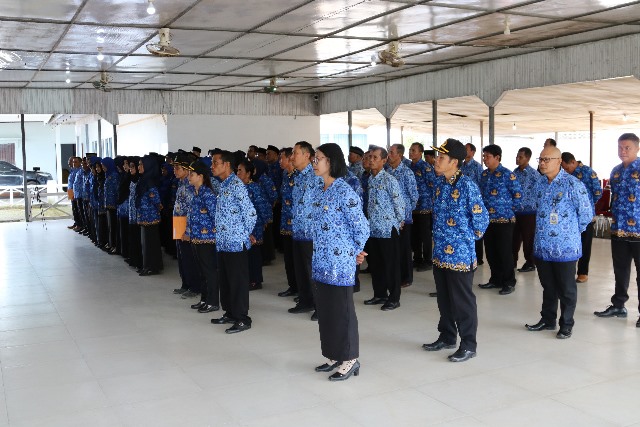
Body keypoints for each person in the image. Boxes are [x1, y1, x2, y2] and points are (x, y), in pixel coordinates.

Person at [423, 138, 488, 362]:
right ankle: (447, 336)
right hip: (440, 252)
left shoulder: (467, 186)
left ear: (454, 162)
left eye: (441, 158)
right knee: (444, 299)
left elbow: (481, 220)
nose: (436, 161)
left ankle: (469, 344)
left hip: (459, 255)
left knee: (462, 301)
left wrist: (465, 241)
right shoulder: (440, 183)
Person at [310, 143, 370, 381]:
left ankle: (350, 359)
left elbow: (362, 227)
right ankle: (334, 355)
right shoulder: (320, 189)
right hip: (321, 261)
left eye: (318, 159)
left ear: (331, 161)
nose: (315, 163)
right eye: (314, 159)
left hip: (340, 263)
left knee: (342, 311)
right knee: (326, 311)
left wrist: (356, 251)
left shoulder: (344, 191)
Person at [525, 146, 593, 339]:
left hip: (565, 247)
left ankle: (566, 324)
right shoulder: (539, 184)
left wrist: (571, 232)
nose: (543, 163)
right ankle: (547, 320)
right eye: (541, 159)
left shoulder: (573, 184)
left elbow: (586, 214)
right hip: (542, 246)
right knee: (548, 286)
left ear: (559, 160)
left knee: (566, 288)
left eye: (547, 159)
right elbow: (534, 206)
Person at [594, 133, 640, 328]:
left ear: (637, 148)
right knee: (620, 270)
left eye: (627, 147)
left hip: (639, 230)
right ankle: (618, 305)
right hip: (619, 230)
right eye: (620, 147)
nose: (623, 151)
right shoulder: (615, 171)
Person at [210, 150, 257, 334]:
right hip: (223, 242)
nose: (212, 166)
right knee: (226, 281)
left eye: (215, 163)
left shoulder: (237, 185)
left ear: (226, 165)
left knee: (237, 282)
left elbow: (250, 214)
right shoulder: (224, 185)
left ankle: (242, 318)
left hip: (236, 243)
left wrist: (243, 234)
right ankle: (230, 313)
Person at [478, 144, 523, 295]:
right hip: (488, 221)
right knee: (491, 252)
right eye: (484, 156)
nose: (485, 159)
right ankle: (495, 279)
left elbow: (518, 195)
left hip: (504, 221)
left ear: (497, 157)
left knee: (504, 253)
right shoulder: (484, 175)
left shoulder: (507, 175)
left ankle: (509, 282)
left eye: (488, 156)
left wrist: (508, 211)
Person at [365, 146, 405, 311]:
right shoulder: (370, 179)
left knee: (391, 265)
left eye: (375, 157)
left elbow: (399, 204)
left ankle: (394, 298)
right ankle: (380, 294)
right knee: (376, 264)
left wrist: (399, 222)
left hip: (388, 230)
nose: (371, 160)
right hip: (373, 229)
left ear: (384, 160)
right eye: (370, 157)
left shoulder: (389, 180)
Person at [288, 141, 323, 320]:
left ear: (307, 156)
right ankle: (305, 301)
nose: (291, 157)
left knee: (313, 270)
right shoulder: (298, 176)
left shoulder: (316, 176)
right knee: (301, 269)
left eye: (295, 153)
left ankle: (320, 306)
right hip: (298, 230)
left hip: (312, 232)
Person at [183, 160, 220, 314]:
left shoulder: (208, 194)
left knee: (209, 271)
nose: (189, 177)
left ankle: (213, 302)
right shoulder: (196, 193)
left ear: (201, 176)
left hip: (207, 239)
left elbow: (216, 217)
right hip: (196, 238)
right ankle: (204, 299)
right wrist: (188, 232)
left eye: (192, 174)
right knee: (202, 271)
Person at [561, 152, 602, 283]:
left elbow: (597, 192)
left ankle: (583, 272)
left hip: (585, 215)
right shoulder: (564, 175)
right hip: (569, 216)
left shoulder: (588, 172)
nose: (565, 171)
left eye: (566, 168)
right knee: (569, 243)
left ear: (573, 162)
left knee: (585, 244)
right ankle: (568, 272)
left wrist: (588, 204)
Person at [237, 159, 272, 291]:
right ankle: (248, 278)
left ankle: (256, 280)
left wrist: (264, 222)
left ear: (248, 173)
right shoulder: (239, 187)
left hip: (254, 226)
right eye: (237, 170)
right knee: (245, 253)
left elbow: (262, 206)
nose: (238, 173)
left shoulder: (254, 188)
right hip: (242, 227)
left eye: (241, 170)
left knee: (254, 253)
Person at [387, 144, 418, 289]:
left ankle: (406, 277)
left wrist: (406, 214)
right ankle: (395, 275)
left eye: (392, 153)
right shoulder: (387, 171)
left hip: (403, 218)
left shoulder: (407, 172)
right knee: (393, 248)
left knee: (404, 248)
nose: (389, 155)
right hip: (389, 218)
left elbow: (414, 196)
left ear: (399, 155)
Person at [171, 154, 201, 299]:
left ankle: (194, 286)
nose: (175, 170)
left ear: (187, 169)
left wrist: (188, 229)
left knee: (189, 257)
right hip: (178, 222)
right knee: (181, 256)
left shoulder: (189, 186)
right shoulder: (181, 184)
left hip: (186, 223)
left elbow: (191, 210)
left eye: (178, 168)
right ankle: (185, 284)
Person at [409, 142, 436, 272]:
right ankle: (417, 259)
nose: (411, 152)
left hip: (424, 206)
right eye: (410, 150)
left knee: (425, 235)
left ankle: (427, 260)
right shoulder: (409, 167)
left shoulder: (426, 167)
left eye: (413, 150)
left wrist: (432, 204)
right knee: (415, 235)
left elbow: (432, 185)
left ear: (420, 153)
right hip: (412, 207)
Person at [135, 156, 163, 276]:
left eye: (141, 165)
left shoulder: (149, 181)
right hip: (144, 216)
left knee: (151, 243)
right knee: (145, 243)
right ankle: (147, 265)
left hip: (150, 217)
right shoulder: (143, 180)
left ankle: (152, 267)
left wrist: (155, 208)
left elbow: (156, 199)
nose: (139, 167)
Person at [276, 147, 299, 298]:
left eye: (281, 158)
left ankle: (301, 289)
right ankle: (292, 286)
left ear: (290, 158)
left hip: (297, 225)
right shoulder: (286, 174)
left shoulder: (299, 176)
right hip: (285, 223)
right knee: (288, 259)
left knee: (299, 261)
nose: (280, 161)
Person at [512, 147, 539, 273]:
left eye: (521, 157)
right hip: (515, 212)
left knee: (528, 239)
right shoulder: (514, 173)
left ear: (528, 158)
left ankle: (530, 262)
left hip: (529, 213)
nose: (517, 159)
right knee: (513, 239)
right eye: (517, 156)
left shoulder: (534, 174)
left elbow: (541, 192)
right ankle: (511, 262)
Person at [462, 143, 485, 265]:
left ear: (473, 152)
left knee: (475, 229)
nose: (465, 151)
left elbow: (481, 184)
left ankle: (478, 258)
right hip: (462, 204)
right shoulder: (460, 166)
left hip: (474, 203)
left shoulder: (477, 167)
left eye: (466, 149)